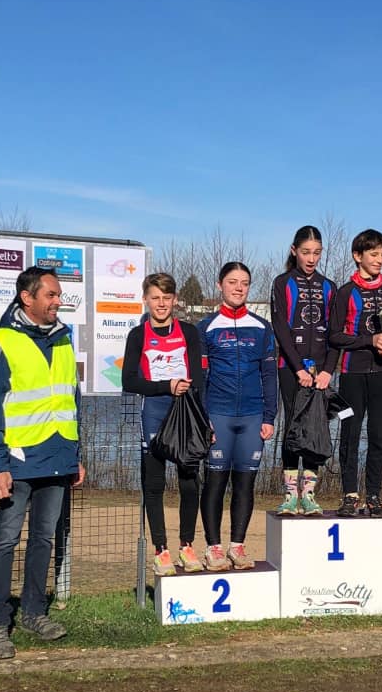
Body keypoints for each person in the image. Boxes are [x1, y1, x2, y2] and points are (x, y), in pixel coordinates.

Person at [0, 266, 86, 659]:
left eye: (58, 295)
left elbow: (71, 402)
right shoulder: (0, 342)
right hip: (17, 462)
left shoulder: (63, 340)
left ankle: (34, 613)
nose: (58, 301)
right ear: (27, 298)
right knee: (5, 541)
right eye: (51, 295)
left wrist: (75, 454)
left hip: (57, 459)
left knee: (43, 540)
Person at [122, 272, 207, 576]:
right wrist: (166, 386)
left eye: (166, 298)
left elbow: (198, 379)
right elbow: (129, 381)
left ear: (175, 300)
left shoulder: (189, 332)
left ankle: (187, 545)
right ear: (145, 299)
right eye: (155, 298)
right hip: (155, 413)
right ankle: (161, 550)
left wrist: (204, 421)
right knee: (154, 484)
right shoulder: (138, 335)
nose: (161, 304)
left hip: (185, 413)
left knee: (189, 482)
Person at [198, 262, 277, 571]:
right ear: (220, 285)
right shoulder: (206, 327)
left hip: (253, 416)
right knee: (215, 482)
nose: (239, 287)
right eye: (232, 282)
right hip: (218, 415)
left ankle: (237, 546)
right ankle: (213, 548)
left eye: (244, 282)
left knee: (245, 484)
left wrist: (269, 416)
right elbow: (200, 380)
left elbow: (269, 375)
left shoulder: (262, 327)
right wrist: (203, 418)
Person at [329, 229, 382, 518]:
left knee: (379, 436)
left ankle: (374, 495)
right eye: (374, 254)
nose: (379, 260)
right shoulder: (345, 292)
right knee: (350, 434)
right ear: (357, 255)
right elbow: (335, 336)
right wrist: (370, 340)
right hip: (352, 374)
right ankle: (350, 495)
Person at [270, 225, 339, 516]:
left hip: (320, 371)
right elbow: (280, 328)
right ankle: (290, 495)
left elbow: (336, 333)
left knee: (315, 427)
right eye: (306, 252)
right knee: (293, 426)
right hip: (290, 368)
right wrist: (299, 368)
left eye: (317, 253)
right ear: (294, 251)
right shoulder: (282, 283)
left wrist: (328, 370)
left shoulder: (329, 286)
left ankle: (308, 494)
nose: (311, 259)